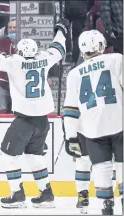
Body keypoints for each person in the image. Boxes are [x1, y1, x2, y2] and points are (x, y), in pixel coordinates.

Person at [0, 18, 69, 208]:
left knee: (9, 155)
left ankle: (17, 193)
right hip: (42, 121)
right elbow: (59, 49)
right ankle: (46, 192)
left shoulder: (14, 62)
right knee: (35, 156)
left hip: (24, 120)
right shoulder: (43, 59)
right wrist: (61, 31)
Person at [63, 29, 123, 215]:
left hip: (93, 131)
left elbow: (70, 110)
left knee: (101, 167)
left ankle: (106, 206)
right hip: (119, 123)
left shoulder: (73, 74)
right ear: (101, 45)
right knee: (121, 166)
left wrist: (71, 137)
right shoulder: (117, 59)